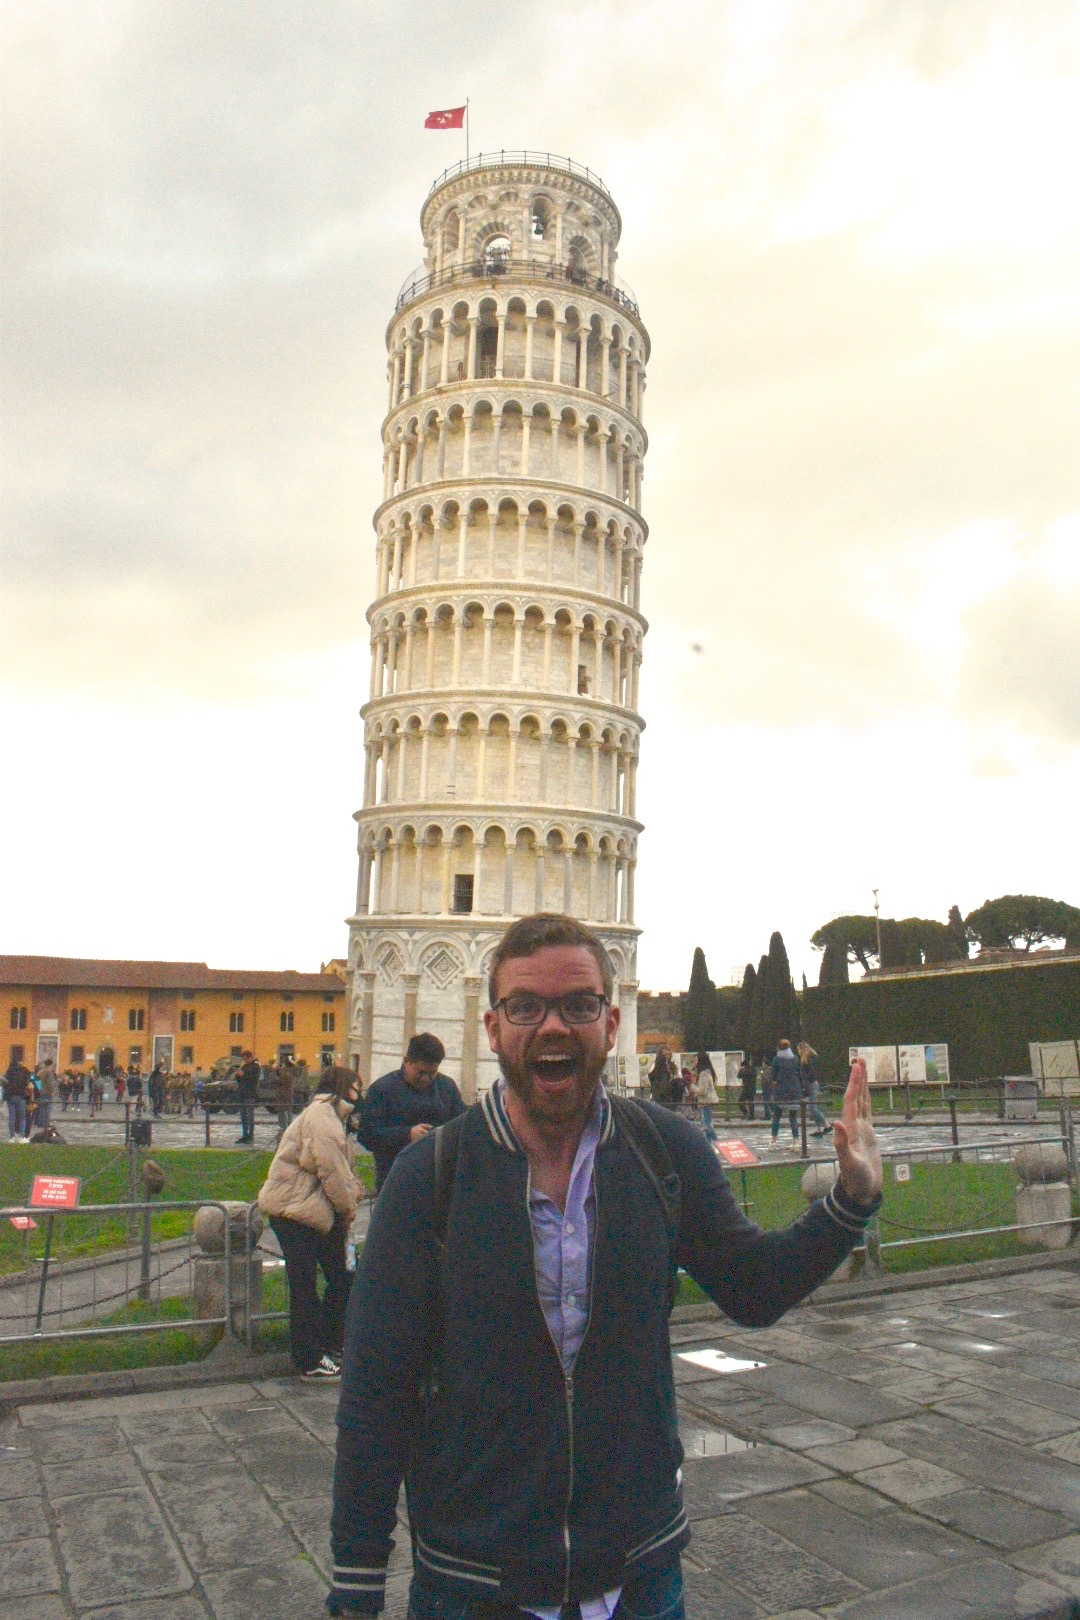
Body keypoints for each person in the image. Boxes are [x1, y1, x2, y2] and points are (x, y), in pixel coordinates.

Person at [329, 913, 882, 1619]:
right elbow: (377, 1391)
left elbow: (753, 1288)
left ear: (611, 1023)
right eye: (525, 1007)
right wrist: (356, 1584)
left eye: (579, 1005)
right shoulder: (429, 1177)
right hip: (474, 1583)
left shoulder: (664, 1152)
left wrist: (850, 1201)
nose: (553, 1026)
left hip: (639, 1576)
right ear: (493, 1027)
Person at [258, 1066, 365, 1380]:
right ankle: (309, 1357)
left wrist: (352, 1190)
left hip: (315, 1213)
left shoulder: (334, 1119)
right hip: (296, 1212)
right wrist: (348, 1206)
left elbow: (342, 1171)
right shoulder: (322, 1116)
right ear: (342, 1087)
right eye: (356, 1087)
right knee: (305, 1286)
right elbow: (331, 1170)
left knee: (345, 1276)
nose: (359, 1094)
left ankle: (330, 1343)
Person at [357, 1033, 464, 1193]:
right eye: (420, 1072)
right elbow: (366, 1135)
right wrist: (407, 1134)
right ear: (406, 1061)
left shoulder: (447, 1087)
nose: (426, 1079)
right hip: (395, 1182)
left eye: (432, 1073)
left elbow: (462, 1124)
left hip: (439, 1183)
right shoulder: (382, 1090)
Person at [769, 1038, 802, 1146]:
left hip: (781, 1092)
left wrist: (773, 1088)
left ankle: (773, 1141)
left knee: (776, 1117)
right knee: (793, 1118)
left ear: (778, 1047)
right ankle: (796, 1141)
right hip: (794, 1091)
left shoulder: (776, 1060)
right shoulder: (795, 1059)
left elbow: (773, 1078)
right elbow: (799, 1074)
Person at [798, 1041, 828, 1136]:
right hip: (812, 1083)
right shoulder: (811, 1057)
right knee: (813, 1107)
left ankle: (827, 1125)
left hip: (811, 1084)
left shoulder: (808, 1058)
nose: (798, 1052)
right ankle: (818, 1129)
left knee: (812, 1108)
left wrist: (805, 1080)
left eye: (799, 1049)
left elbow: (810, 1072)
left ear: (802, 1049)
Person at [691, 1050, 719, 1141]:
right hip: (709, 1101)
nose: (695, 1063)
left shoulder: (703, 1073)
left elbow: (703, 1090)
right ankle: (710, 1143)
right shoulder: (709, 1071)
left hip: (706, 1102)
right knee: (707, 1124)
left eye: (696, 1060)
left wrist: (692, 1086)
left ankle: (715, 1142)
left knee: (706, 1125)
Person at [235, 1050, 261, 1144]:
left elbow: (253, 1079)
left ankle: (250, 1136)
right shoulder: (244, 1066)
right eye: (243, 1059)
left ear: (250, 1057)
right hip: (242, 1093)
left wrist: (243, 1075)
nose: (244, 1061)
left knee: (250, 1117)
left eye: (246, 1059)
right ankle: (244, 1135)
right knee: (243, 1116)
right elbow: (240, 1081)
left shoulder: (256, 1067)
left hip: (250, 1094)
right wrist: (237, 1075)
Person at [5, 1057, 31, 1141]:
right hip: (21, 1096)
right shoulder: (23, 1071)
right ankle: (21, 1136)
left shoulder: (9, 1071)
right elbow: (28, 1082)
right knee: (22, 1117)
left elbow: (4, 1082)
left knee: (12, 1117)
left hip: (11, 1096)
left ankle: (12, 1137)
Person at [273, 1055, 297, 1142]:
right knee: (286, 1112)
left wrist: (276, 1072)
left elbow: (279, 1081)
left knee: (284, 1113)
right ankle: (286, 1130)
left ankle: (285, 1131)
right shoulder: (290, 1071)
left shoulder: (288, 1072)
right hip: (285, 1095)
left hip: (284, 1096)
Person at [35, 1057, 58, 1133]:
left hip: (40, 1091)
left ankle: (40, 1122)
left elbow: (35, 1079)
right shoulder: (49, 1072)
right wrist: (52, 1091)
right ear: (51, 1064)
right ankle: (45, 1123)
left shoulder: (41, 1071)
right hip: (47, 1092)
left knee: (41, 1108)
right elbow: (50, 1083)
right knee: (47, 1108)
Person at [736, 1053, 757, 1120]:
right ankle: (752, 1116)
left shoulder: (744, 1071)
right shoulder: (753, 1069)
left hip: (746, 1089)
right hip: (752, 1088)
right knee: (751, 1103)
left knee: (740, 1102)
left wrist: (741, 1069)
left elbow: (738, 1076)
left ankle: (745, 1113)